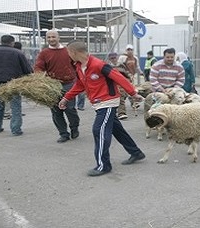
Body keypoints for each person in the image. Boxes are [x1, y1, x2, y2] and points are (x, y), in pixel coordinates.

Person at [58, 40, 146, 177]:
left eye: (68, 52)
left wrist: (133, 93)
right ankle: (136, 152)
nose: (68, 55)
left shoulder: (99, 65)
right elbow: (80, 85)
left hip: (107, 102)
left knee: (99, 130)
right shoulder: (79, 66)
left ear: (74, 52)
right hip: (98, 103)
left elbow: (120, 78)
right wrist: (66, 98)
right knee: (117, 129)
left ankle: (103, 165)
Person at [34, 30, 80, 143]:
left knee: (70, 109)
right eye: (48, 37)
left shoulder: (68, 51)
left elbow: (77, 65)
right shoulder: (44, 53)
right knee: (56, 111)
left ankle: (74, 127)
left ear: (58, 38)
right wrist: (39, 77)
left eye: (53, 37)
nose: (51, 39)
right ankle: (63, 133)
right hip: (52, 86)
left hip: (68, 83)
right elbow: (38, 67)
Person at [0, 35, 33, 136]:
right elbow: (28, 70)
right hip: (14, 82)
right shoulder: (18, 53)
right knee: (16, 106)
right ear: (12, 43)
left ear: (0, 42)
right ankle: (16, 130)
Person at [116, 44, 142, 120]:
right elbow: (119, 66)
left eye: (131, 49)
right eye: (128, 49)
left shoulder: (135, 58)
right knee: (124, 91)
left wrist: (140, 72)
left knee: (131, 90)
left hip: (132, 76)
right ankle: (122, 110)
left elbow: (137, 66)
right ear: (126, 50)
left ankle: (134, 103)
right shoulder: (122, 57)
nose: (130, 51)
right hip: (124, 77)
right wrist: (125, 74)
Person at [4, 41, 24, 120]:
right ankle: (9, 113)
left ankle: (8, 113)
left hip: (5, 78)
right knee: (15, 99)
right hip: (15, 79)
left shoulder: (7, 54)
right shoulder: (18, 54)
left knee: (7, 97)